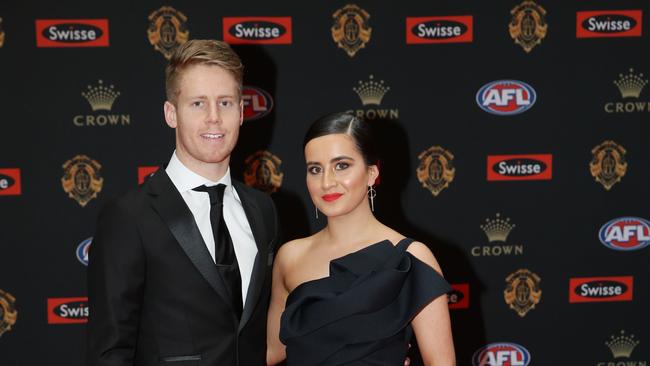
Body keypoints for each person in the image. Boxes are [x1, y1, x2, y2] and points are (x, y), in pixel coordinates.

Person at [86, 40, 278, 366]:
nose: (214, 118)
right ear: (171, 113)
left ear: (242, 112)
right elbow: (109, 351)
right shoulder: (129, 216)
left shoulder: (262, 211)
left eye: (226, 103)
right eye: (198, 104)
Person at [266, 112, 455, 365]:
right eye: (315, 169)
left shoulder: (411, 258)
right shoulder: (290, 256)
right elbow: (271, 351)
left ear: (372, 173)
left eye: (341, 165)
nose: (326, 182)